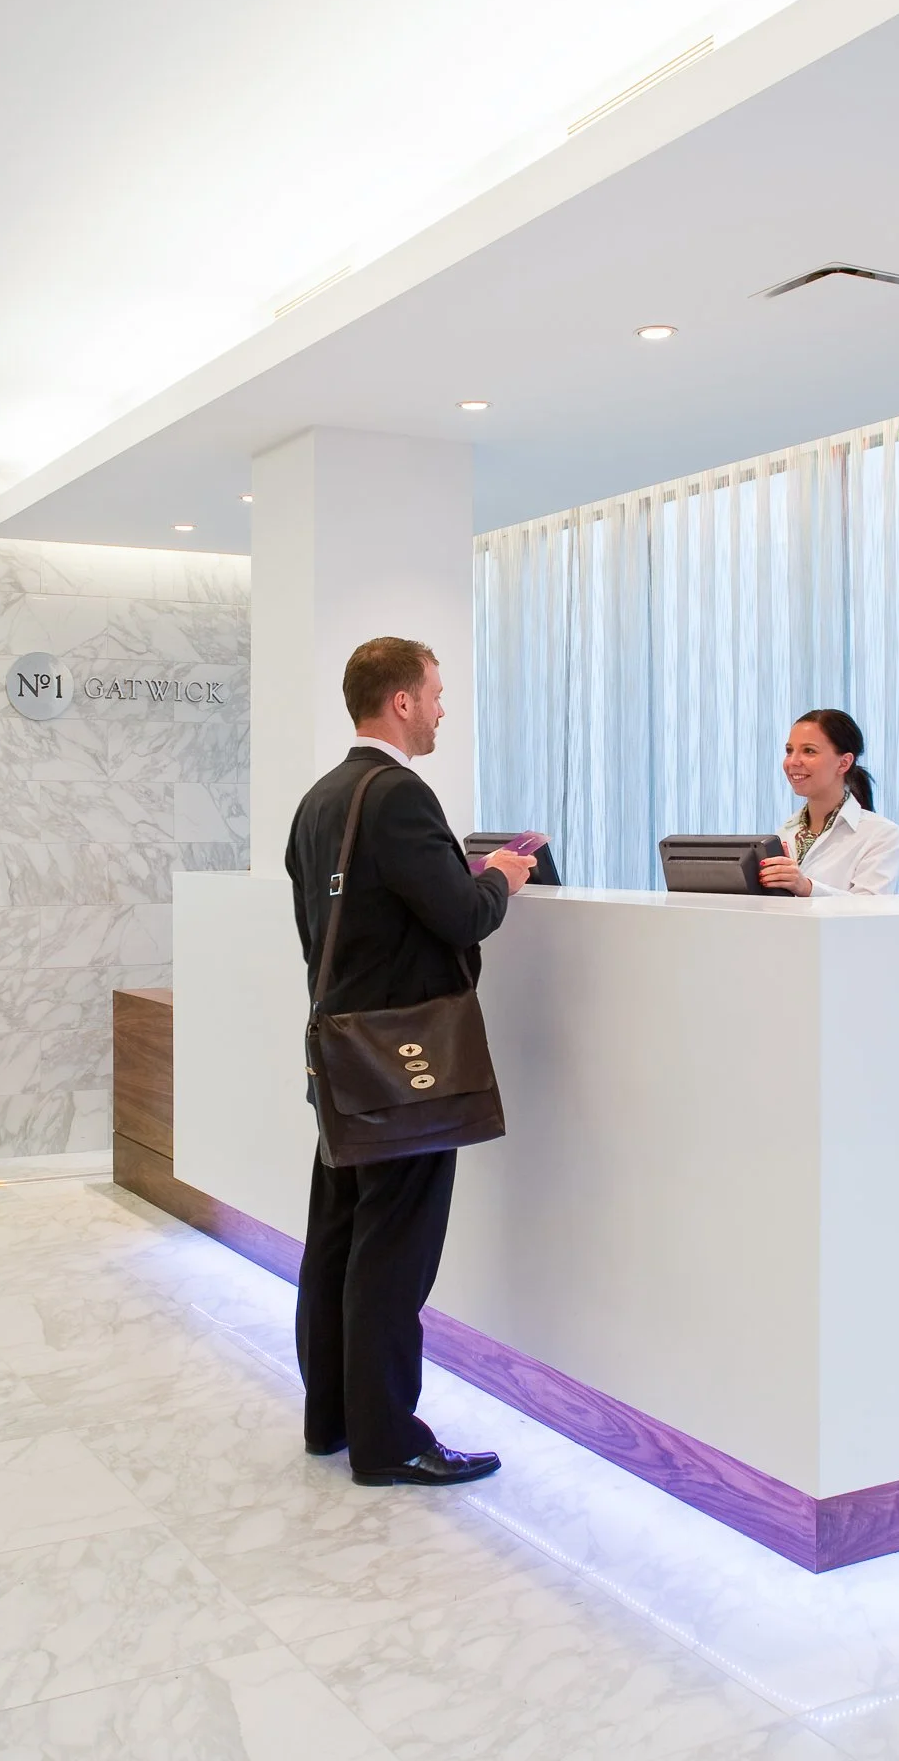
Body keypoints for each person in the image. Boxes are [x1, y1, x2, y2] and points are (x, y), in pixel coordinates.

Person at [286, 637, 536, 1487]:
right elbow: (462, 916)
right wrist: (500, 877)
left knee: (339, 1240)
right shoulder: (397, 795)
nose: (440, 709)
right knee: (393, 1254)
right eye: (434, 694)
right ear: (400, 702)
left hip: (343, 1055)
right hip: (405, 1067)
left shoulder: (322, 798)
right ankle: (390, 1440)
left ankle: (333, 1420)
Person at [756, 708, 899, 897]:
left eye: (809, 751)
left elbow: (869, 907)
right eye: (789, 750)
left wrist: (807, 887)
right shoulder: (785, 832)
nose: (793, 761)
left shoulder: (881, 834)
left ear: (844, 763)